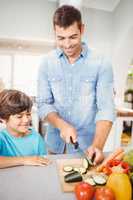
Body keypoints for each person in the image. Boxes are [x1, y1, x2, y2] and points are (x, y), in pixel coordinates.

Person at [37, 5, 115, 164]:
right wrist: (62, 125)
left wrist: (97, 146)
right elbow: (43, 104)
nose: (67, 45)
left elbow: (106, 109)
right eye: (61, 38)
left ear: (82, 29)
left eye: (72, 37)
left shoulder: (101, 63)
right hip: (54, 146)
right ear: (55, 33)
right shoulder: (46, 63)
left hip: (87, 148)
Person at [0, 89, 50, 168]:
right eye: (19, 116)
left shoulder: (36, 138)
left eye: (28, 114)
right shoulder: (2, 138)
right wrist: (25, 160)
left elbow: (44, 162)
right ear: (3, 119)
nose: (26, 120)